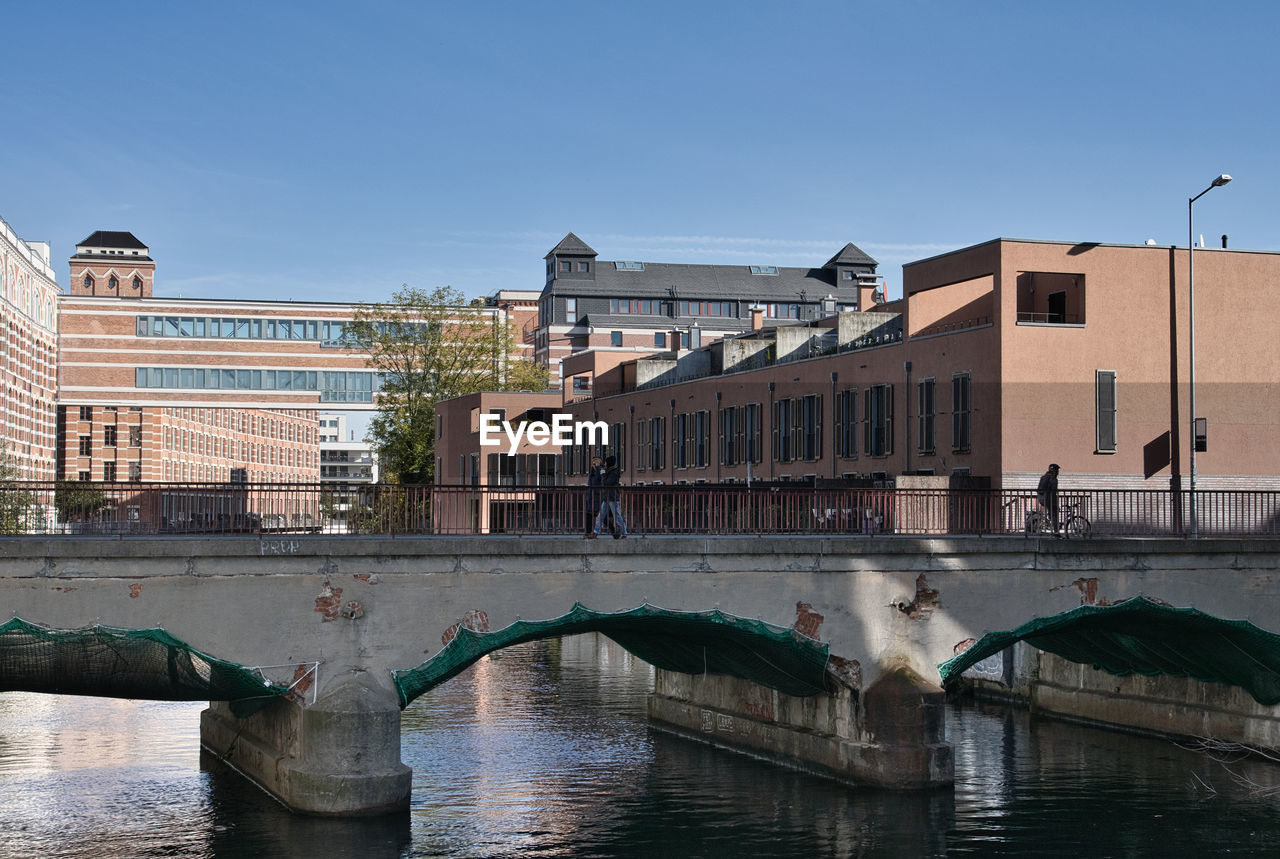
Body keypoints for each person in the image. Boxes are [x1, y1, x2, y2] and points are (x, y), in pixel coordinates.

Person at [585, 455, 628, 539]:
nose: (605, 464)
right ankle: (595, 533)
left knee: (617, 516)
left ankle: (624, 533)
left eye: (606, 462)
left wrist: (602, 474)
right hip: (606, 497)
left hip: (612, 498)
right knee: (600, 516)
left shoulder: (614, 473)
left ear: (609, 463)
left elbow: (606, 483)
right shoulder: (608, 471)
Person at [1037, 463, 1060, 533]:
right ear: (1055, 471)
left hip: (1042, 498)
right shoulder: (1054, 479)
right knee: (1054, 514)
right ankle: (1056, 531)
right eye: (1057, 470)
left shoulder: (1044, 476)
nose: (1058, 472)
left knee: (1052, 513)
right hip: (1049, 499)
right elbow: (1054, 490)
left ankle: (1050, 525)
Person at [584, 456, 604, 537]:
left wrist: (598, 467)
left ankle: (614, 532)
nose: (594, 464)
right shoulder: (592, 473)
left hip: (597, 497)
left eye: (595, 462)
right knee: (589, 515)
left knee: (602, 516)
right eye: (593, 463)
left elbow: (602, 480)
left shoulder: (601, 471)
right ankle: (588, 533)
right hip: (590, 497)